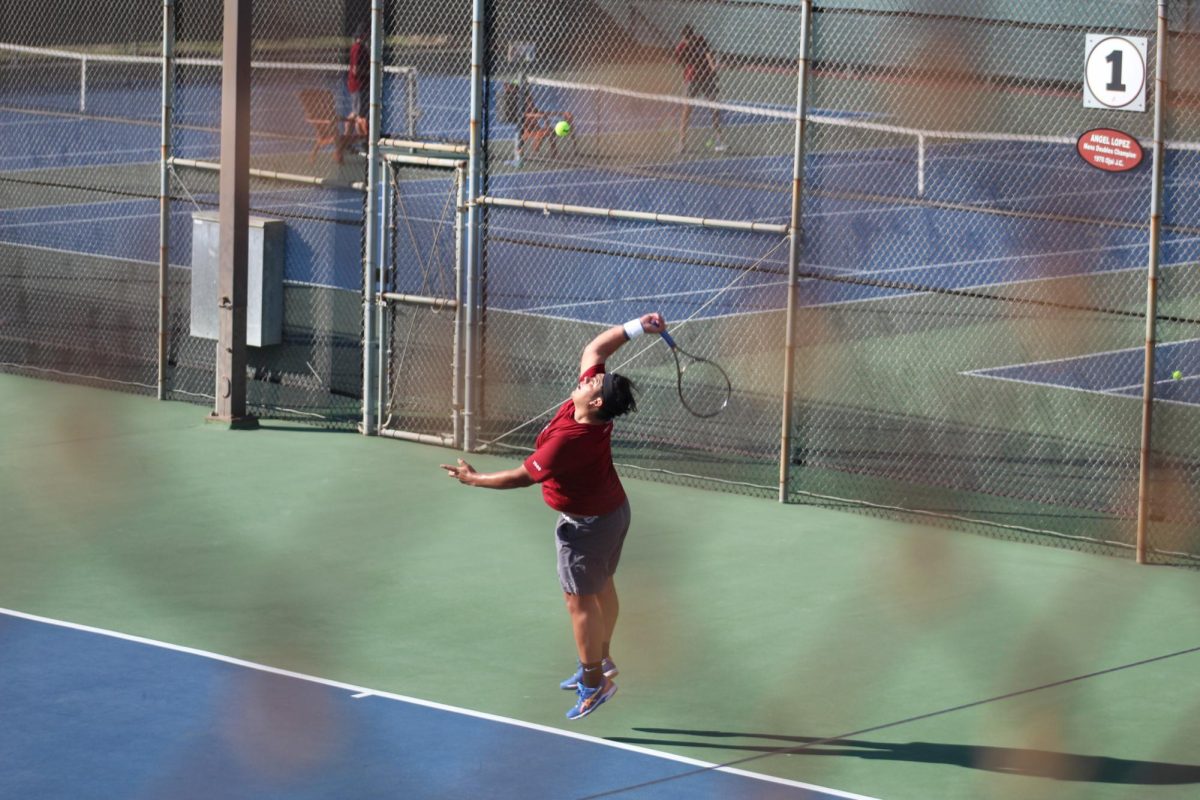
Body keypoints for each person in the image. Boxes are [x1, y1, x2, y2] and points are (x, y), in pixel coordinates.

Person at [439, 312, 667, 720]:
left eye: (593, 382)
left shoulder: (570, 441)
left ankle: (593, 682)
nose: (587, 378)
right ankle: (604, 657)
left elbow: (521, 477)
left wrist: (473, 480)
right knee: (601, 588)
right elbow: (595, 349)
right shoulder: (587, 408)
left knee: (578, 602)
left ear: (595, 401)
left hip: (588, 526)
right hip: (614, 514)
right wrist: (636, 326)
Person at [674, 25, 724, 153]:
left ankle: (719, 140)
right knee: (686, 110)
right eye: (687, 39)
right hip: (692, 80)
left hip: (706, 78)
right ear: (683, 38)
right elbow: (681, 62)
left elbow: (707, 53)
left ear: (693, 35)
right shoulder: (681, 48)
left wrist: (712, 66)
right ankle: (682, 142)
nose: (690, 41)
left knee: (714, 107)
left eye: (691, 37)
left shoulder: (701, 40)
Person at [346, 23, 370, 142]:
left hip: (358, 85)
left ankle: (347, 138)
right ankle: (364, 141)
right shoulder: (358, 48)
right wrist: (370, 72)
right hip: (359, 85)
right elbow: (356, 70)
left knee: (356, 113)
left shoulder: (359, 47)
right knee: (360, 115)